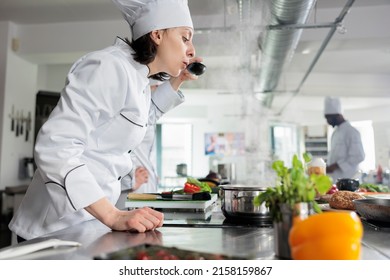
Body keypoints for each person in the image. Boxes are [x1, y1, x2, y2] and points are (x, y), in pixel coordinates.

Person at [9, 0, 202, 241]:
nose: (192, 50)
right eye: (185, 38)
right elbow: (56, 146)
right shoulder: (109, 66)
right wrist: (112, 215)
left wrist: (178, 80)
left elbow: (142, 118)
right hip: (51, 230)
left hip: (88, 223)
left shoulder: (139, 79)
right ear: (157, 34)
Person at [324, 96, 365, 182]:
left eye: (328, 118)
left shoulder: (352, 132)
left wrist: (335, 166)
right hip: (335, 180)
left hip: (349, 180)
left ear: (338, 116)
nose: (327, 121)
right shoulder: (335, 133)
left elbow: (359, 156)